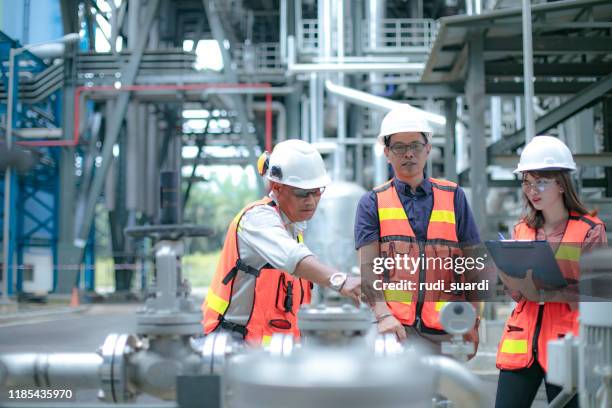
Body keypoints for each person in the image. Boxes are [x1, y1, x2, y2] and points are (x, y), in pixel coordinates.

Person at [202, 139, 361, 345]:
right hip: (233, 346)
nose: (311, 201)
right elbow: (293, 257)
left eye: (317, 191)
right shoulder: (257, 219)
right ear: (276, 187)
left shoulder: (293, 227)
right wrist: (339, 280)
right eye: (302, 193)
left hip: (272, 351)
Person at [355, 104, 481, 350]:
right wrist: (382, 314)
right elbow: (368, 271)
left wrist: (473, 319)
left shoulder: (453, 196)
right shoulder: (372, 202)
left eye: (415, 146)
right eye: (399, 147)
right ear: (387, 152)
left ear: (428, 149)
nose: (408, 154)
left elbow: (473, 264)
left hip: (448, 327)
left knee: (445, 390)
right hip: (394, 328)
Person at [495, 136, 607, 408]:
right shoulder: (521, 229)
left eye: (540, 182)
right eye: (526, 182)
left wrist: (545, 293)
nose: (532, 190)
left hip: (567, 343)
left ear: (561, 184)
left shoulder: (589, 230)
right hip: (522, 341)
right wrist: (508, 280)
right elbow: (518, 297)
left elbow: (599, 296)